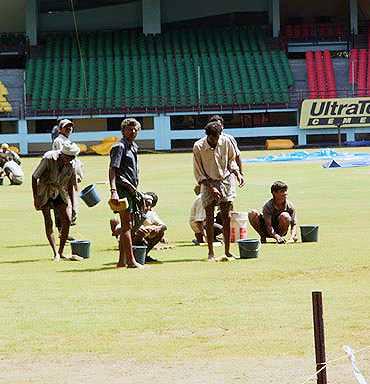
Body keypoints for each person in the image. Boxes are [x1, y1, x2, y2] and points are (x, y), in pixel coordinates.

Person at [193, 121, 243, 261]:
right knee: (209, 217)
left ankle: (227, 252)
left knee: (226, 216)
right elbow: (199, 173)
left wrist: (237, 173)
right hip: (208, 182)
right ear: (207, 136)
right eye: (213, 138)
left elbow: (232, 160)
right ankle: (211, 253)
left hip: (225, 180)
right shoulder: (198, 147)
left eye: (218, 136)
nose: (216, 140)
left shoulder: (226, 141)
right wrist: (211, 187)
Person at [32, 142, 81, 261]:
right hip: (44, 190)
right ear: (63, 155)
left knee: (67, 220)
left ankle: (61, 251)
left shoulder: (72, 164)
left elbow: (70, 186)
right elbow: (34, 177)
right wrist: (36, 198)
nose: (71, 160)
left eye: (73, 157)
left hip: (59, 191)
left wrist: (73, 205)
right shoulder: (48, 158)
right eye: (69, 158)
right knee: (48, 221)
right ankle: (55, 253)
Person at [109, 118, 143, 269]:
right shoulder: (119, 146)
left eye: (135, 129)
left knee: (126, 226)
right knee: (126, 225)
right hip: (122, 190)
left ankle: (122, 261)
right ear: (123, 130)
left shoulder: (133, 146)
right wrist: (113, 191)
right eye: (130, 129)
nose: (133, 131)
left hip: (131, 190)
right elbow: (112, 170)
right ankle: (131, 262)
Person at [52, 119, 84, 229]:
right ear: (60, 129)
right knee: (63, 205)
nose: (69, 128)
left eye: (70, 126)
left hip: (68, 178)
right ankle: (62, 232)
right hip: (63, 179)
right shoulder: (59, 141)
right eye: (66, 127)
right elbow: (64, 159)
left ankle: (64, 232)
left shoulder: (65, 140)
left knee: (68, 205)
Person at [207, 115, 245, 187]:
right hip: (211, 177)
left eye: (219, 124)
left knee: (229, 197)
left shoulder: (229, 139)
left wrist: (240, 173)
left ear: (222, 126)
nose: (217, 127)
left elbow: (237, 156)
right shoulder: (204, 142)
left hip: (227, 175)